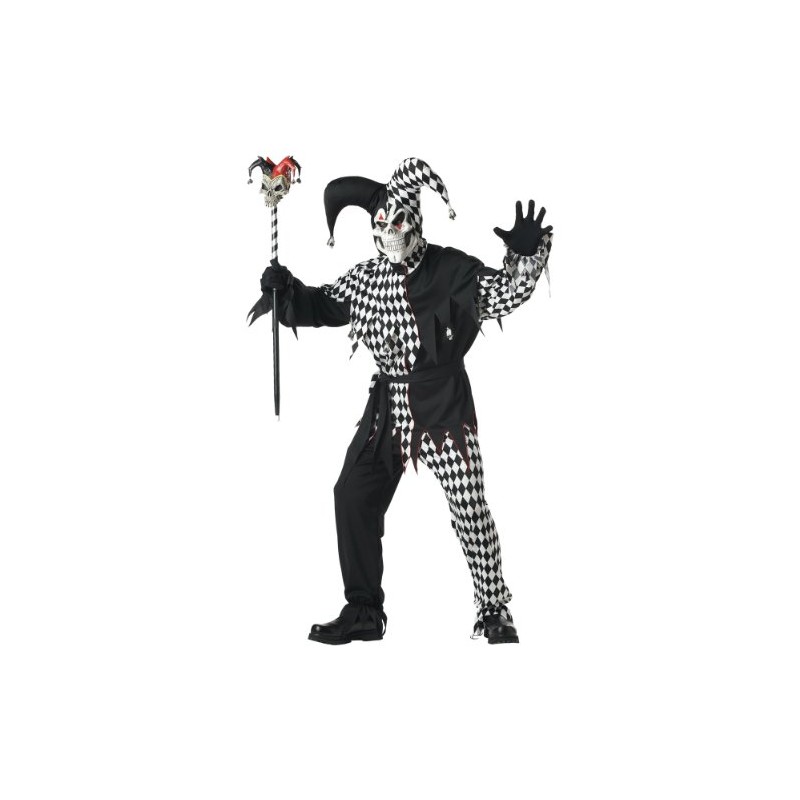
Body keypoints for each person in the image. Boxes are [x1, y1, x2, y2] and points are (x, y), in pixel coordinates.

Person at [249, 158, 553, 644]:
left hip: (441, 404)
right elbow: (323, 304)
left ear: (416, 221)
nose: (390, 232)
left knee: (468, 506)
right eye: (381, 224)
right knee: (352, 494)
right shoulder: (368, 278)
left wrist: (525, 255)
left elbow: (503, 293)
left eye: (399, 221)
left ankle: (494, 608)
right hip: (387, 405)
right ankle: (364, 610)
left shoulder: (451, 270)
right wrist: (285, 290)